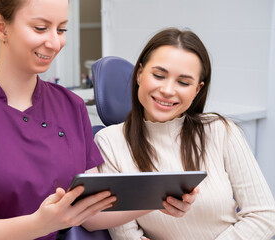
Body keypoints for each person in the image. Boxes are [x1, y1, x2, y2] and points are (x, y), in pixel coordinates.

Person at [0, 1, 198, 240]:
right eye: (40, 28)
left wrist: (159, 199)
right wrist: (39, 224)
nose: (54, 42)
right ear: (1, 27)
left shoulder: (71, 106)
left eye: (61, 29)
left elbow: (91, 214)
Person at [95, 27, 275, 240]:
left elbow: (264, 215)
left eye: (183, 82)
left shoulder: (220, 130)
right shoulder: (110, 142)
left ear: (197, 90)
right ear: (140, 74)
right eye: (159, 75)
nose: (168, 90)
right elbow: (126, 235)